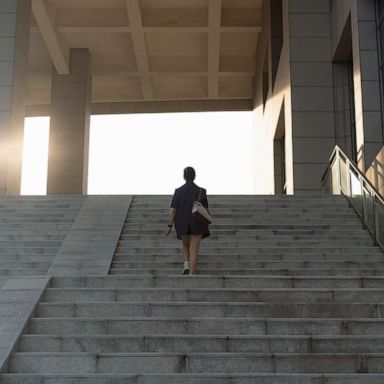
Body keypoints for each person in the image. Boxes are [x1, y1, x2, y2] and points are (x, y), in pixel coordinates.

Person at [166, 167, 210, 275]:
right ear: (194, 176)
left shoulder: (178, 191)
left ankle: (186, 265)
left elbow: (174, 210)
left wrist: (169, 225)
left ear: (184, 177)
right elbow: (207, 210)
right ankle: (191, 274)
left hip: (182, 223)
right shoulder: (201, 191)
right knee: (193, 249)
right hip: (197, 222)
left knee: (185, 245)